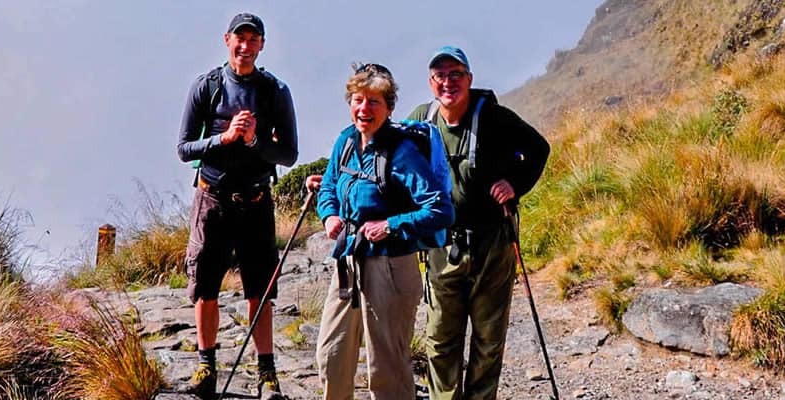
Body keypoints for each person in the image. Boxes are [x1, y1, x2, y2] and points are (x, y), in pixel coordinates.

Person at [406, 46, 550, 400]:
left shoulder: (494, 118)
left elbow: (537, 149)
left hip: (493, 243)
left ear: (469, 79)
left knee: (488, 339)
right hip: (443, 246)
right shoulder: (421, 122)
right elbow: (394, 158)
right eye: (440, 75)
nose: (448, 82)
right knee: (440, 338)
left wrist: (514, 183)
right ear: (431, 82)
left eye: (456, 74)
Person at [176, 12, 297, 400]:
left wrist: (253, 141)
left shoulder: (275, 91)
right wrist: (225, 139)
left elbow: (289, 155)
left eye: (253, 40)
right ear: (226, 40)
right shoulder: (206, 86)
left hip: (257, 200)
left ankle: (266, 374)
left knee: (259, 290)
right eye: (239, 39)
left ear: (262, 45)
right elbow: (183, 149)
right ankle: (205, 366)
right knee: (205, 285)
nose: (245, 47)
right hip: (211, 198)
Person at [314, 63, 453, 400]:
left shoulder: (401, 151)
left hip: (391, 266)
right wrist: (329, 215)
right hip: (348, 263)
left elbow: (439, 209)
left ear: (389, 108)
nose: (364, 109)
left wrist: (391, 224)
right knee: (330, 356)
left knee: (386, 368)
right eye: (358, 100)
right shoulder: (346, 141)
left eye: (375, 102)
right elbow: (329, 186)